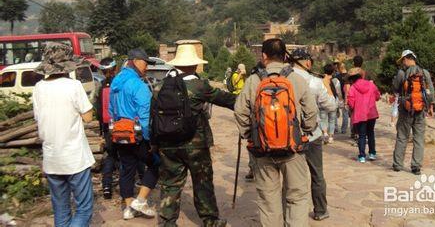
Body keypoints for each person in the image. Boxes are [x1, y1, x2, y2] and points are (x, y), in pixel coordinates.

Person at [234, 38, 318, 227]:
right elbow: (311, 111)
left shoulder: (254, 80)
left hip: (262, 151)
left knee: (269, 200)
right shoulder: (296, 78)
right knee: (296, 197)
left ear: (264, 56)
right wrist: (304, 132)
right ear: (284, 56)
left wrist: (252, 135)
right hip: (293, 149)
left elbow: (240, 111)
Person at [158, 44, 236, 227]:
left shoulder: (160, 86)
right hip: (196, 143)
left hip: (167, 143)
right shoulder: (200, 86)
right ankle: (210, 220)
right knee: (202, 181)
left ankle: (167, 222)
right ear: (194, 65)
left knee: (170, 183)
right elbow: (226, 100)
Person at [33, 42, 95, 226]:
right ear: (67, 66)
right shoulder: (73, 86)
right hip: (74, 157)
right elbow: (88, 117)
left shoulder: (38, 88)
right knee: (83, 209)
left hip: (52, 158)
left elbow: (38, 117)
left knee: (61, 209)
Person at [109, 48, 158, 220]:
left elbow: (111, 111)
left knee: (127, 169)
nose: (147, 68)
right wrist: (149, 139)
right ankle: (141, 200)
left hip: (119, 134)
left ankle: (129, 208)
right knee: (156, 165)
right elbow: (144, 117)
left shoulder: (116, 82)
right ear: (136, 61)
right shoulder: (138, 85)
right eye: (146, 63)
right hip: (137, 135)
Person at [290, 48, 336, 221]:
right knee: (317, 174)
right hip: (312, 135)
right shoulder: (315, 82)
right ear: (307, 62)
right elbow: (331, 106)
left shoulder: (283, 79)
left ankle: (293, 212)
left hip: (290, 136)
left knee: (291, 176)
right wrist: (326, 85)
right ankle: (320, 210)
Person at [392, 50, 435, 175]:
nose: (402, 63)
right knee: (419, 139)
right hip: (420, 109)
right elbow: (430, 90)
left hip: (406, 109)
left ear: (406, 58)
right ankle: (416, 166)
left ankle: (397, 164)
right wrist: (430, 106)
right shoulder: (424, 72)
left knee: (402, 136)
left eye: (403, 60)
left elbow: (395, 88)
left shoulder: (401, 73)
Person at [95, 57, 118, 199]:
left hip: (107, 126)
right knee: (126, 156)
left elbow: (98, 110)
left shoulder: (100, 86)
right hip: (122, 125)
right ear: (116, 69)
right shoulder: (120, 83)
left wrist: (102, 130)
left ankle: (107, 186)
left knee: (110, 156)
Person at [346, 67, 381, 163]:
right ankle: (372, 153)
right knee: (371, 133)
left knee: (361, 135)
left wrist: (351, 109)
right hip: (371, 113)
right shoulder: (371, 85)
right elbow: (377, 96)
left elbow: (351, 103)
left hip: (360, 114)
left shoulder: (353, 88)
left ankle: (362, 156)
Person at [322, 63, 343, 143]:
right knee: (332, 120)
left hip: (323, 102)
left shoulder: (322, 80)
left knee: (323, 119)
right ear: (333, 72)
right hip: (333, 102)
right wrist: (341, 101)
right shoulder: (336, 80)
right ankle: (331, 137)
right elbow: (338, 92)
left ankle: (325, 133)